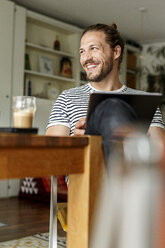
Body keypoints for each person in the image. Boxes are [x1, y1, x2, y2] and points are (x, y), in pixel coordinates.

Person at [46, 23, 165, 160]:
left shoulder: (144, 101)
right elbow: (49, 157)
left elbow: (161, 157)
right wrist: (75, 143)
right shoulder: (67, 98)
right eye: (82, 51)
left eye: (94, 48)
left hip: (131, 180)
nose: (86, 58)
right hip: (85, 181)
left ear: (116, 52)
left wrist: (137, 140)